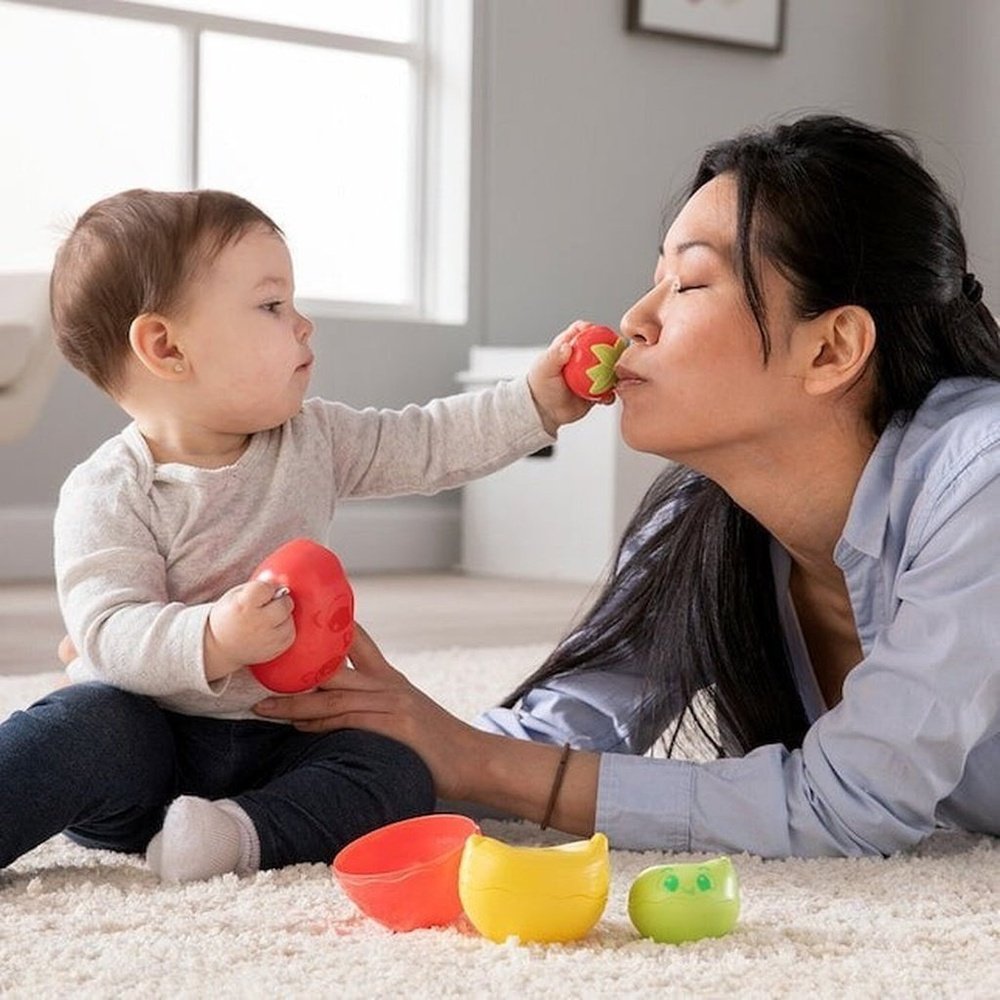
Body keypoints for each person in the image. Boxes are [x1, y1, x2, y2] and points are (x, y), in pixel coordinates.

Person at [256, 114, 1000, 858]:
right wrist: (321, 758)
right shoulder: (702, 517)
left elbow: (848, 807)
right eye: (654, 282)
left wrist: (477, 762)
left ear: (832, 347)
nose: (633, 322)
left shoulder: (981, 482)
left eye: (691, 282)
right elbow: (563, 730)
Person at [0, 188, 593, 881]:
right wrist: (215, 639)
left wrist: (533, 402)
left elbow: (429, 441)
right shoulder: (109, 489)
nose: (304, 324)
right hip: (145, 748)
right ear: (166, 346)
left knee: (397, 773)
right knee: (80, 726)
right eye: (272, 305)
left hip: (285, 736)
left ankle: (235, 837)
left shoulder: (314, 438)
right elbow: (109, 630)